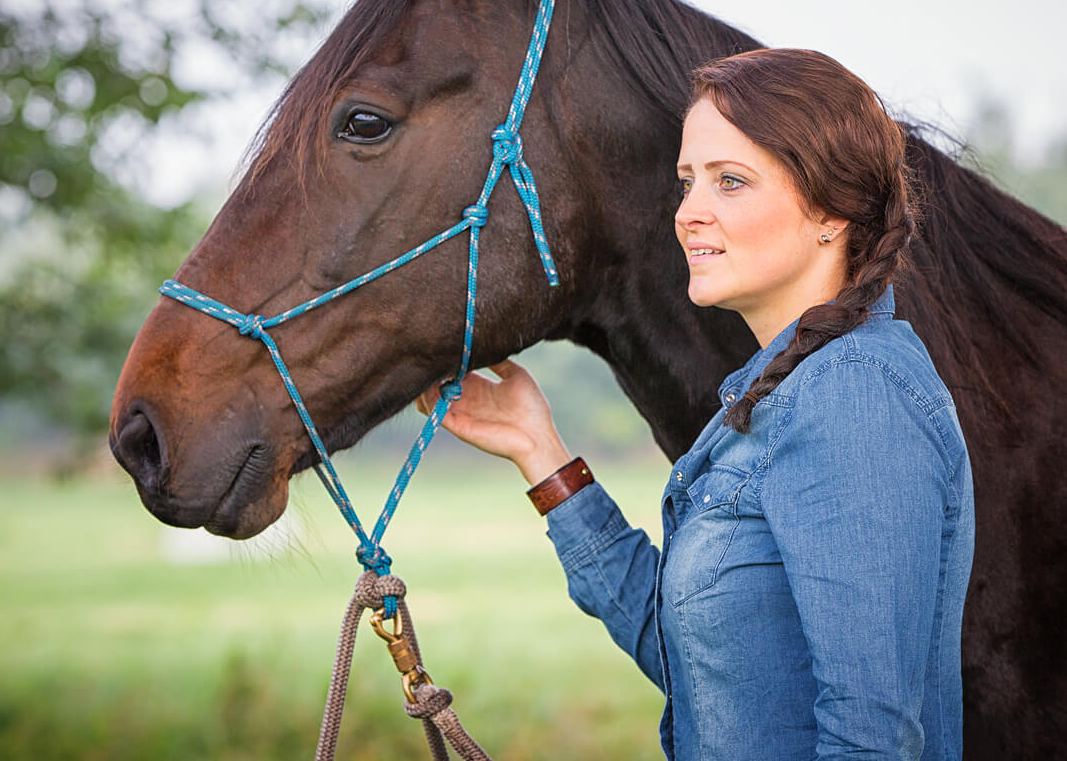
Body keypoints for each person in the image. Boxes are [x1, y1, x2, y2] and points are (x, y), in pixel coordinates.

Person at [417, 47, 975, 761]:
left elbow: (872, 737)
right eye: (687, 183)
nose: (689, 214)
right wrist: (540, 451)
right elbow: (700, 671)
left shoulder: (855, 393)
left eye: (731, 182)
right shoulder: (782, 389)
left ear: (832, 213)